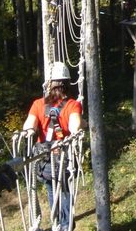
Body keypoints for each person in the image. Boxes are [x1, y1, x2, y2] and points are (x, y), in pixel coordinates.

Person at [22, 61, 82, 231]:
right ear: (67, 84)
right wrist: (81, 124)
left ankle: (57, 223)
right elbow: (74, 126)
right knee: (64, 191)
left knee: (51, 190)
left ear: (49, 84)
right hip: (64, 158)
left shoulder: (38, 104)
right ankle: (66, 226)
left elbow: (29, 126)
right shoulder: (73, 105)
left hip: (45, 160)